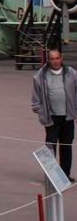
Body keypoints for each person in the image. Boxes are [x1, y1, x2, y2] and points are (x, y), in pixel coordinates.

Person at [32, 48, 77, 180]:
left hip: (68, 117)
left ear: (61, 58)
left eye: (57, 58)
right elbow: (35, 97)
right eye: (52, 59)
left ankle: (65, 176)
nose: (55, 61)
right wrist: (40, 112)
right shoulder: (40, 75)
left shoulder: (71, 73)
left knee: (66, 147)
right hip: (51, 117)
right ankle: (51, 177)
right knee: (50, 147)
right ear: (48, 60)